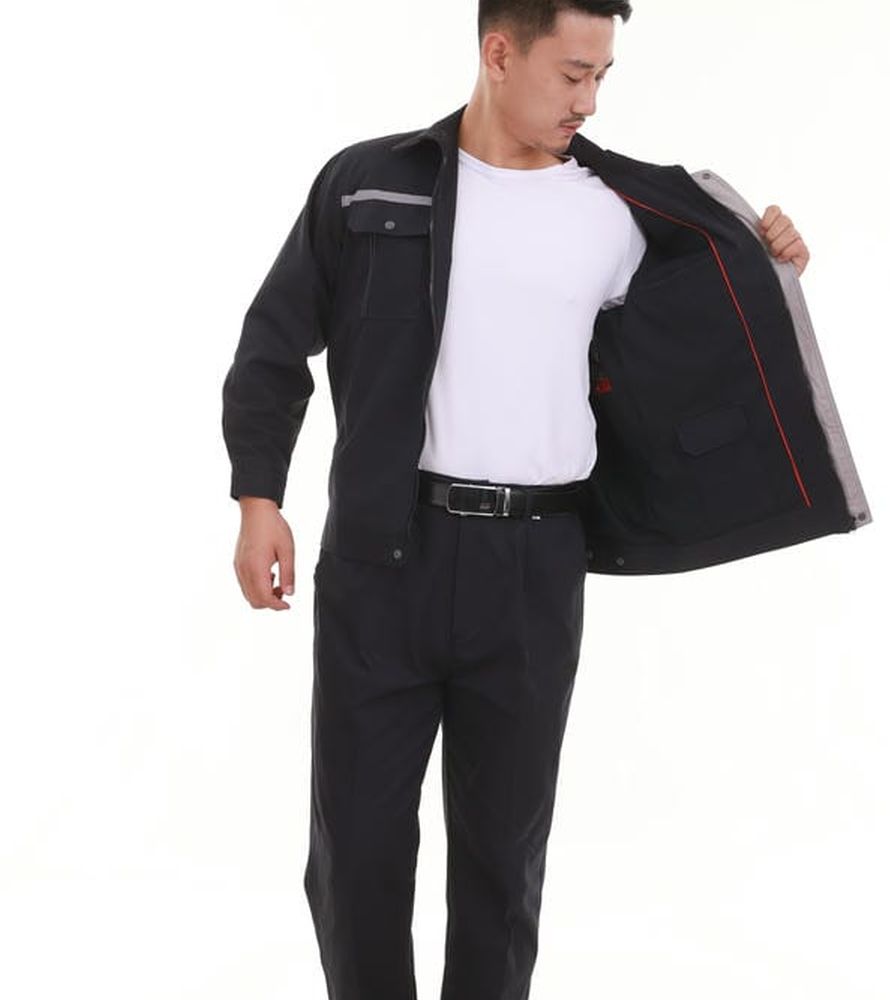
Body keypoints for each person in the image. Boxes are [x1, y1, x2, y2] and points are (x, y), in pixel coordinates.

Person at [222, 2, 819, 997]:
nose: (590, 101)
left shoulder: (615, 212)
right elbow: (274, 341)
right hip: (383, 558)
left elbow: (704, 338)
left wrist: (772, 263)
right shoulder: (368, 182)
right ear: (499, 53)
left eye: (603, 76)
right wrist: (258, 495)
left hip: (534, 565)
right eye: (573, 73)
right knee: (355, 855)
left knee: (503, 868)